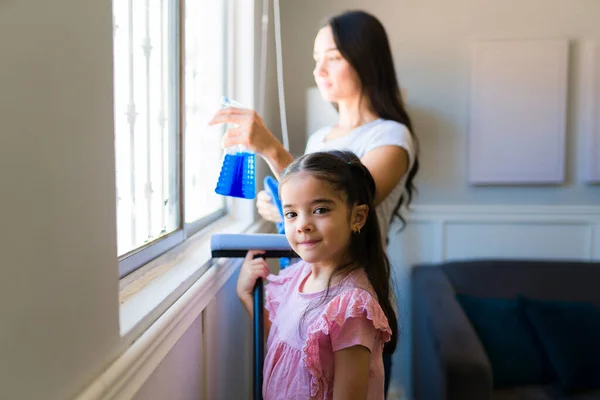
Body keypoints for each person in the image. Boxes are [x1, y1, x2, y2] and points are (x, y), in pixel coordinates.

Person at [210, 10, 419, 395]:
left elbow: (348, 194)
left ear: (365, 58)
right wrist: (282, 208)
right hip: (311, 285)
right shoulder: (322, 137)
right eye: (315, 60)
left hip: (348, 289)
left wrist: (272, 150)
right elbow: (308, 197)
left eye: (333, 57)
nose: (319, 70)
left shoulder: (391, 137)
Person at [236, 150, 397, 399]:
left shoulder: (350, 308)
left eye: (320, 210)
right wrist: (247, 295)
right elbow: (283, 346)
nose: (303, 224)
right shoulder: (297, 276)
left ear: (358, 217)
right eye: (291, 214)